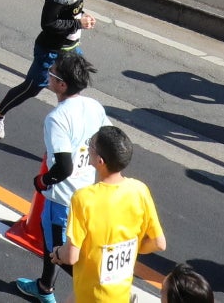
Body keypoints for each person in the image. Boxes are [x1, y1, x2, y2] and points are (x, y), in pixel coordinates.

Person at [13, 56, 108, 302]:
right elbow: (109, 141)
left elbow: (64, 167)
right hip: (85, 192)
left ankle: (108, 291)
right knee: (53, 245)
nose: (48, 74)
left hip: (62, 199)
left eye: (52, 73)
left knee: (60, 253)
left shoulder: (57, 118)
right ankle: (45, 286)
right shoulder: (94, 106)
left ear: (62, 84)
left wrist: (42, 181)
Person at [0, 0, 95, 139]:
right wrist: (78, 23)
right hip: (50, 50)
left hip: (71, 49)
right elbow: (48, 23)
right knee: (32, 88)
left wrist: (81, 16)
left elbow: (71, 11)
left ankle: (69, 133)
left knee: (75, 86)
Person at [57, 126, 165, 303]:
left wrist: (57, 253)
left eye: (91, 145)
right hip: (120, 293)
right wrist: (132, 247)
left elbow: (71, 256)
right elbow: (159, 243)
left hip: (90, 294)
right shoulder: (139, 190)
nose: (88, 148)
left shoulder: (83, 199)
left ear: (100, 161)